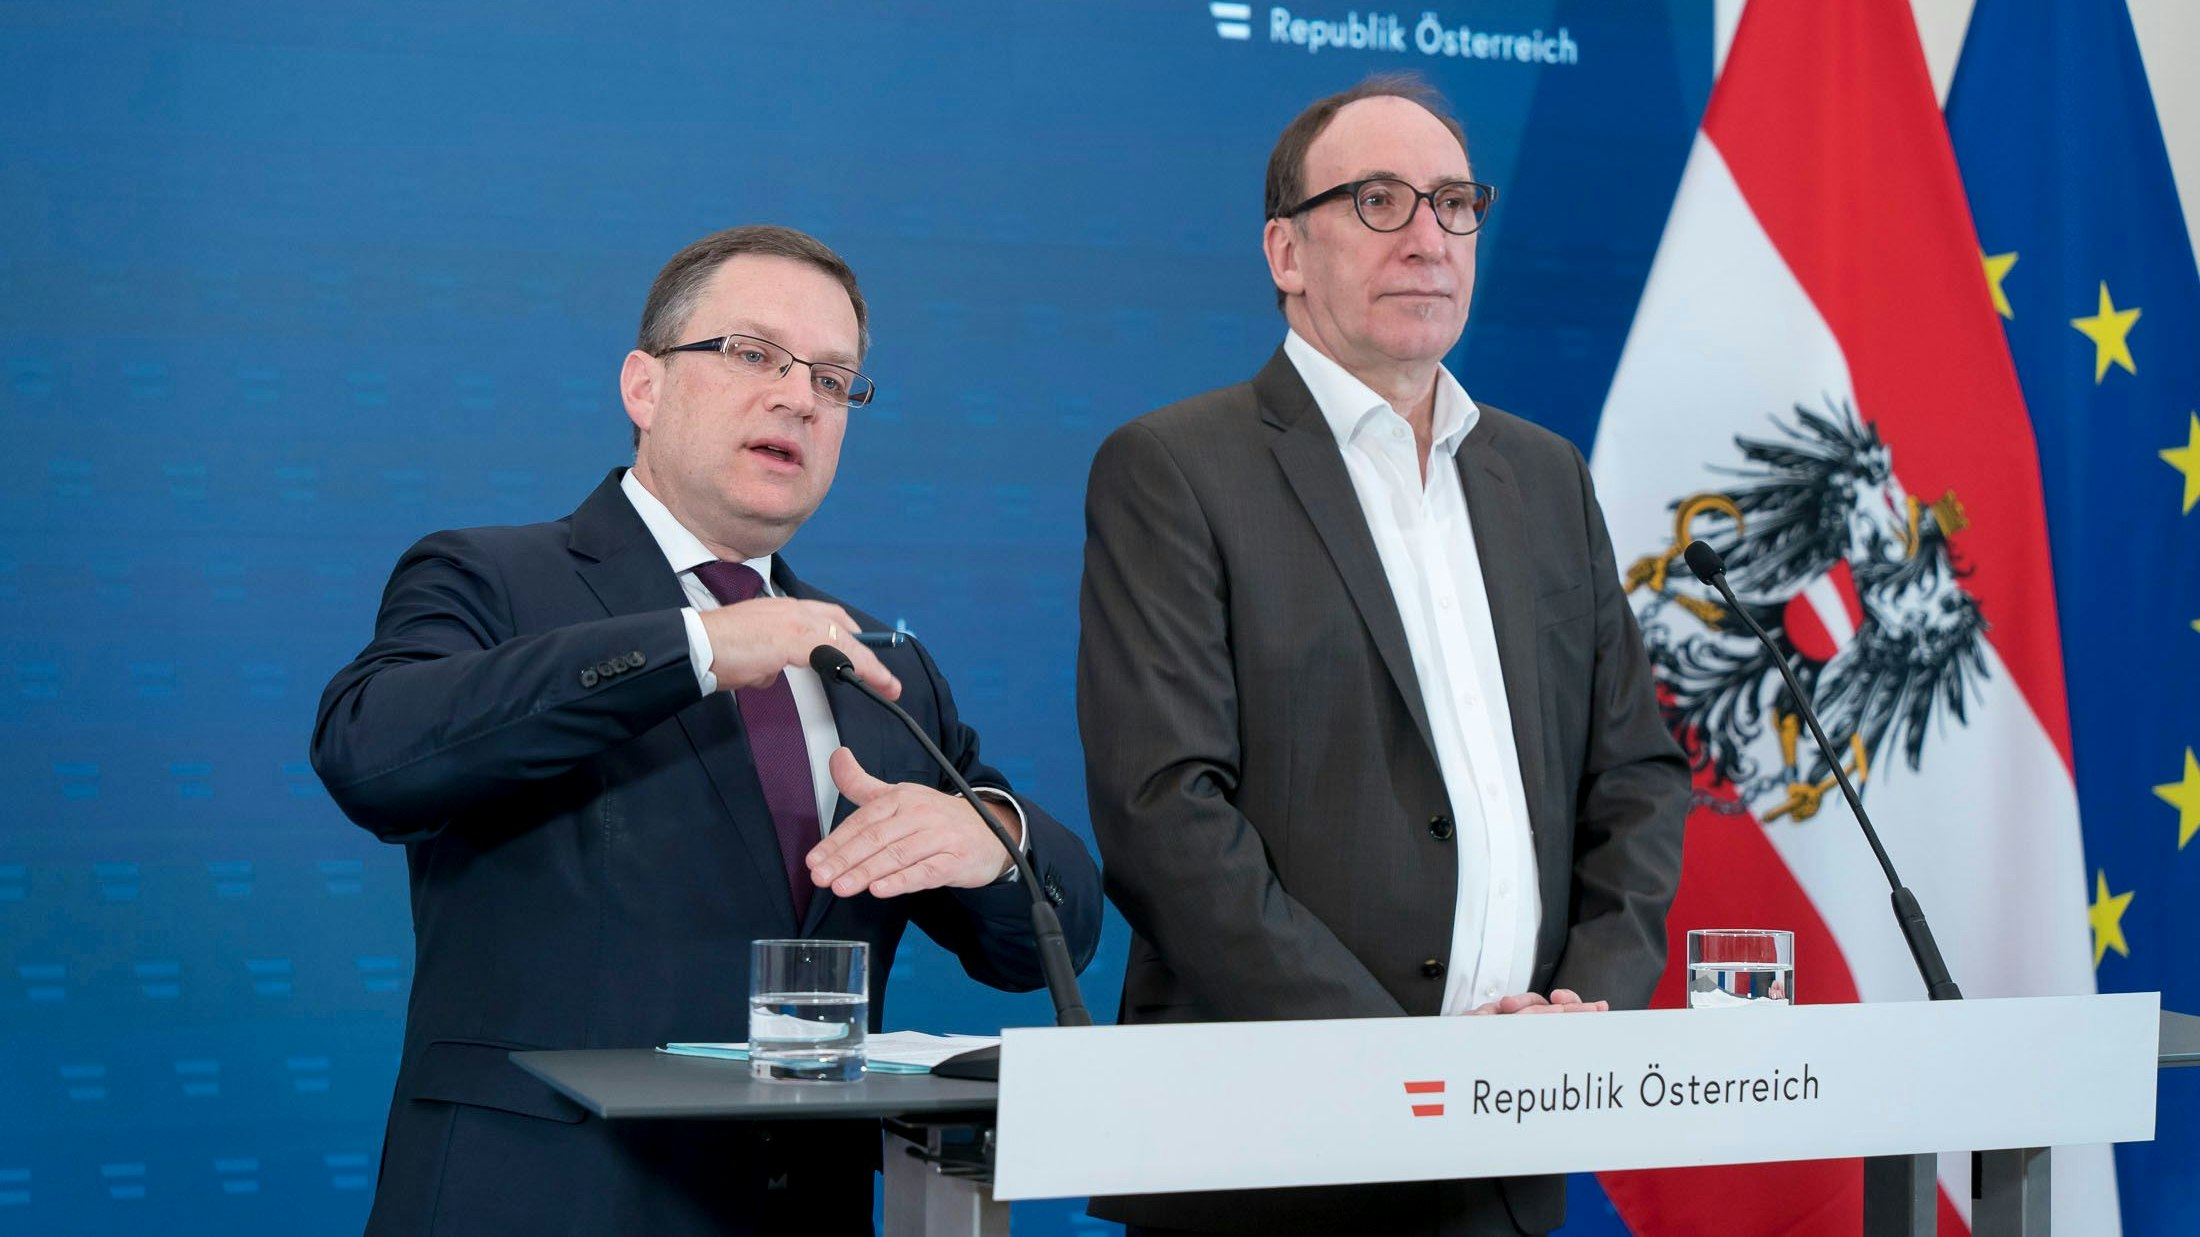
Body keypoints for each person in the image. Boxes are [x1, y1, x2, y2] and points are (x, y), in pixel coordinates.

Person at [313, 224, 1102, 1236]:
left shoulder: (876, 664)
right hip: (544, 1201)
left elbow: (1048, 940)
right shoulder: (492, 578)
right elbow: (372, 753)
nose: (799, 397)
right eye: (754, 354)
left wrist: (991, 838)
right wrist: (697, 645)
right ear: (643, 387)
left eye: (832, 379)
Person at [1077, 74, 1688, 1235]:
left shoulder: (1545, 477)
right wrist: (1394, 1070)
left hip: (1509, 1144)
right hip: (1270, 1160)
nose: (1426, 236)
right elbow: (1163, 810)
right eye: (1377, 201)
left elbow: (1637, 780)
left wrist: (1581, 1012)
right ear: (1285, 252)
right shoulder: (1176, 469)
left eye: (1454, 203)